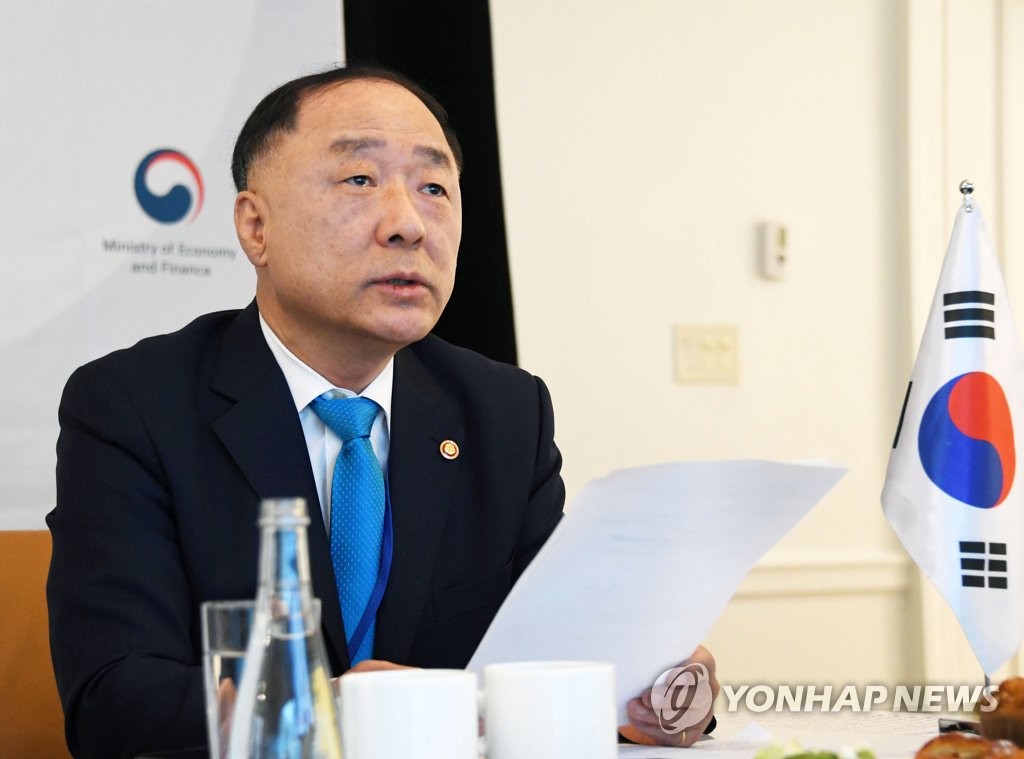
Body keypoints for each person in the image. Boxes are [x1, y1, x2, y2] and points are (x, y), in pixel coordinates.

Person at [46, 65, 716, 758]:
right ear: (255, 226)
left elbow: (555, 653)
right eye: (360, 179)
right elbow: (114, 703)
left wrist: (645, 690)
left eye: (434, 188)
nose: (407, 225)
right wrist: (333, 709)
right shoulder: (133, 405)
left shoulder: (505, 411)